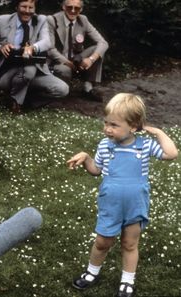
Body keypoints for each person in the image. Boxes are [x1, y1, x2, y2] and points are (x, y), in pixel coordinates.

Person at [66, 93, 178, 297]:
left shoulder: (144, 146)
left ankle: (127, 280)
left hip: (135, 205)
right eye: (106, 123)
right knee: (103, 242)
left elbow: (171, 154)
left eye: (114, 125)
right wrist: (86, 158)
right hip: (111, 203)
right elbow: (96, 170)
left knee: (130, 243)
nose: (107, 129)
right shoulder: (105, 145)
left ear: (133, 127)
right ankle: (92, 272)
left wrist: (158, 132)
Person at [0, 0, 69, 113]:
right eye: (24, 7)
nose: (27, 11)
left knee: (62, 89)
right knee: (29, 70)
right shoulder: (3, 21)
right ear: (16, 7)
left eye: (31, 7)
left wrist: (33, 48)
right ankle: (15, 102)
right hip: (7, 72)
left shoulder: (41, 20)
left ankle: (24, 102)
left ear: (35, 9)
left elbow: (47, 42)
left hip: (35, 71)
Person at [47, 0, 108, 101]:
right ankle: (61, 90)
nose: (73, 10)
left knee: (96, 50)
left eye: (77, 8)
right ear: (63, 7)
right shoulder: (52, 20)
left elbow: (103, 43)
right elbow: (50, 49)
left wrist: (91, 59)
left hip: (76, 58)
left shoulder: (83, 20)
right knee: (65, 71)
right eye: (69, 7)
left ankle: (88, 88)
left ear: (81, 9)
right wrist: (67, 62)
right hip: (58, 61)